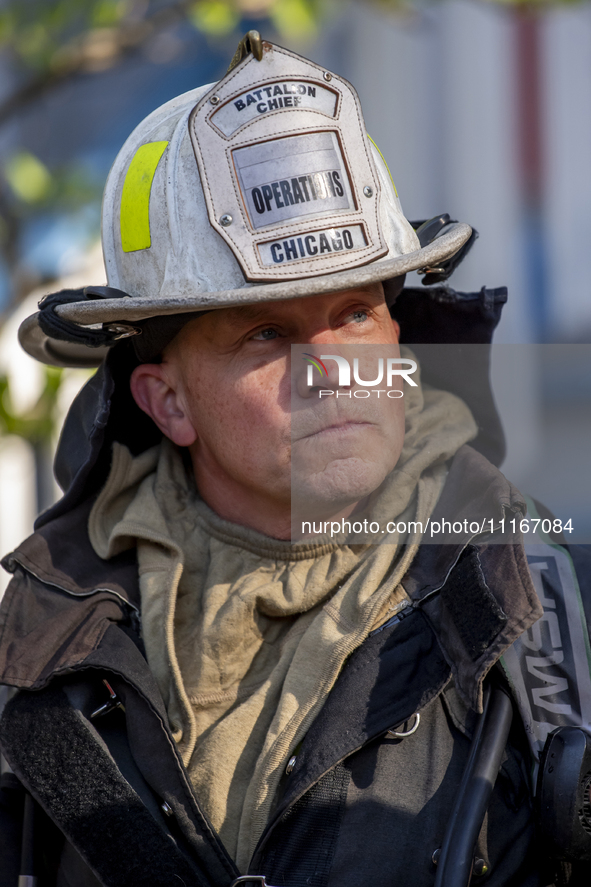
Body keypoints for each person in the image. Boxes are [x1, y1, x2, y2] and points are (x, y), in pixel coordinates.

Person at [1, 32, 590, 887]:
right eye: (267, 333)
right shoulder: (46, 641)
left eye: (355, 314)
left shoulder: (533, 610)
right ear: (167, 402)